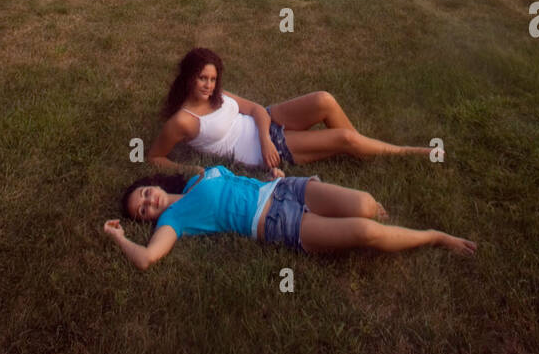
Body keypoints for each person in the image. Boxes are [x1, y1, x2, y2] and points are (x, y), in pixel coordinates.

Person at [103, 165, 477, 267]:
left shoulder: (201, 176)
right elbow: (148, 259)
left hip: (285, 189)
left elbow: (238, 179)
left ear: (150, 184)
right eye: (143, 211)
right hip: (277, 222)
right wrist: (120, 238)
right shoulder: (174, 222)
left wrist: (272, 176)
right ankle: (434, 236)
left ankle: (381, 217)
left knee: (366, 203)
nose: (149, 203)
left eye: (144, 195)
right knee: (367, 231)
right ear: (150, 220)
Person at [147, 48, 431, 174]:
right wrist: (190, 169)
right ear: (188, 78)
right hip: (264, 152)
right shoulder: (183, 121)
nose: (209, 85)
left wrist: (265, 135)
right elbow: (155, 157)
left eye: (212, 78)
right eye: (202, 78)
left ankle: (361, 147)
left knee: (324, 99)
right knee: (344, 138)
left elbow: (256, 108)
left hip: (267, 128)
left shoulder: (216, 95)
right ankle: (407, 152)